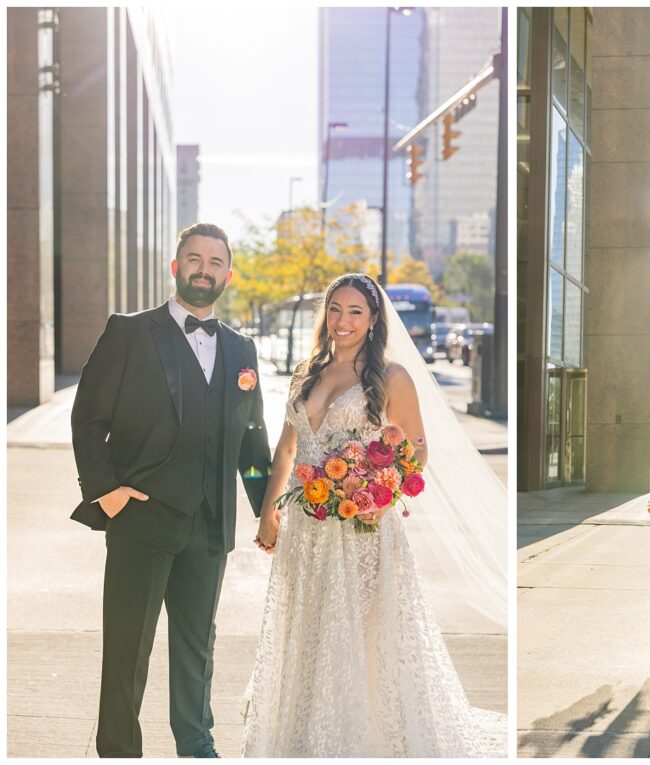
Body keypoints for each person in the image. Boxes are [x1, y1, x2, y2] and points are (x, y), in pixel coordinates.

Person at [240, 273, 507, 757]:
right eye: (336, 309)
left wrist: (372, 494)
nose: (343, 321)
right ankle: (302, 735)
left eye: (355, 311)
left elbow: (417, 450)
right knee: (307, 629)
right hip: (304, 528)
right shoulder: (307, 371)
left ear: (374, 319)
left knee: (360, 636)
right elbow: (286, 449)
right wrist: (267, 513)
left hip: (360, 529)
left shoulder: (390, 376)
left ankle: (363, 741)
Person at [70, 223, 272, 758]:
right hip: (141, 519)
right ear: (176, 266)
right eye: (194, 258)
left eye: (215, 262)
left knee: (196, 648)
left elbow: (253, 446)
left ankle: (196, 746)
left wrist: (267, 511)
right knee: (127, 650)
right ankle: (118, 751)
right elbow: (89, 418)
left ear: (228, 274)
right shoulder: (130, 332)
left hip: (209, 527)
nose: (204, 269)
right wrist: (106, 492)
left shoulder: (241, 350)